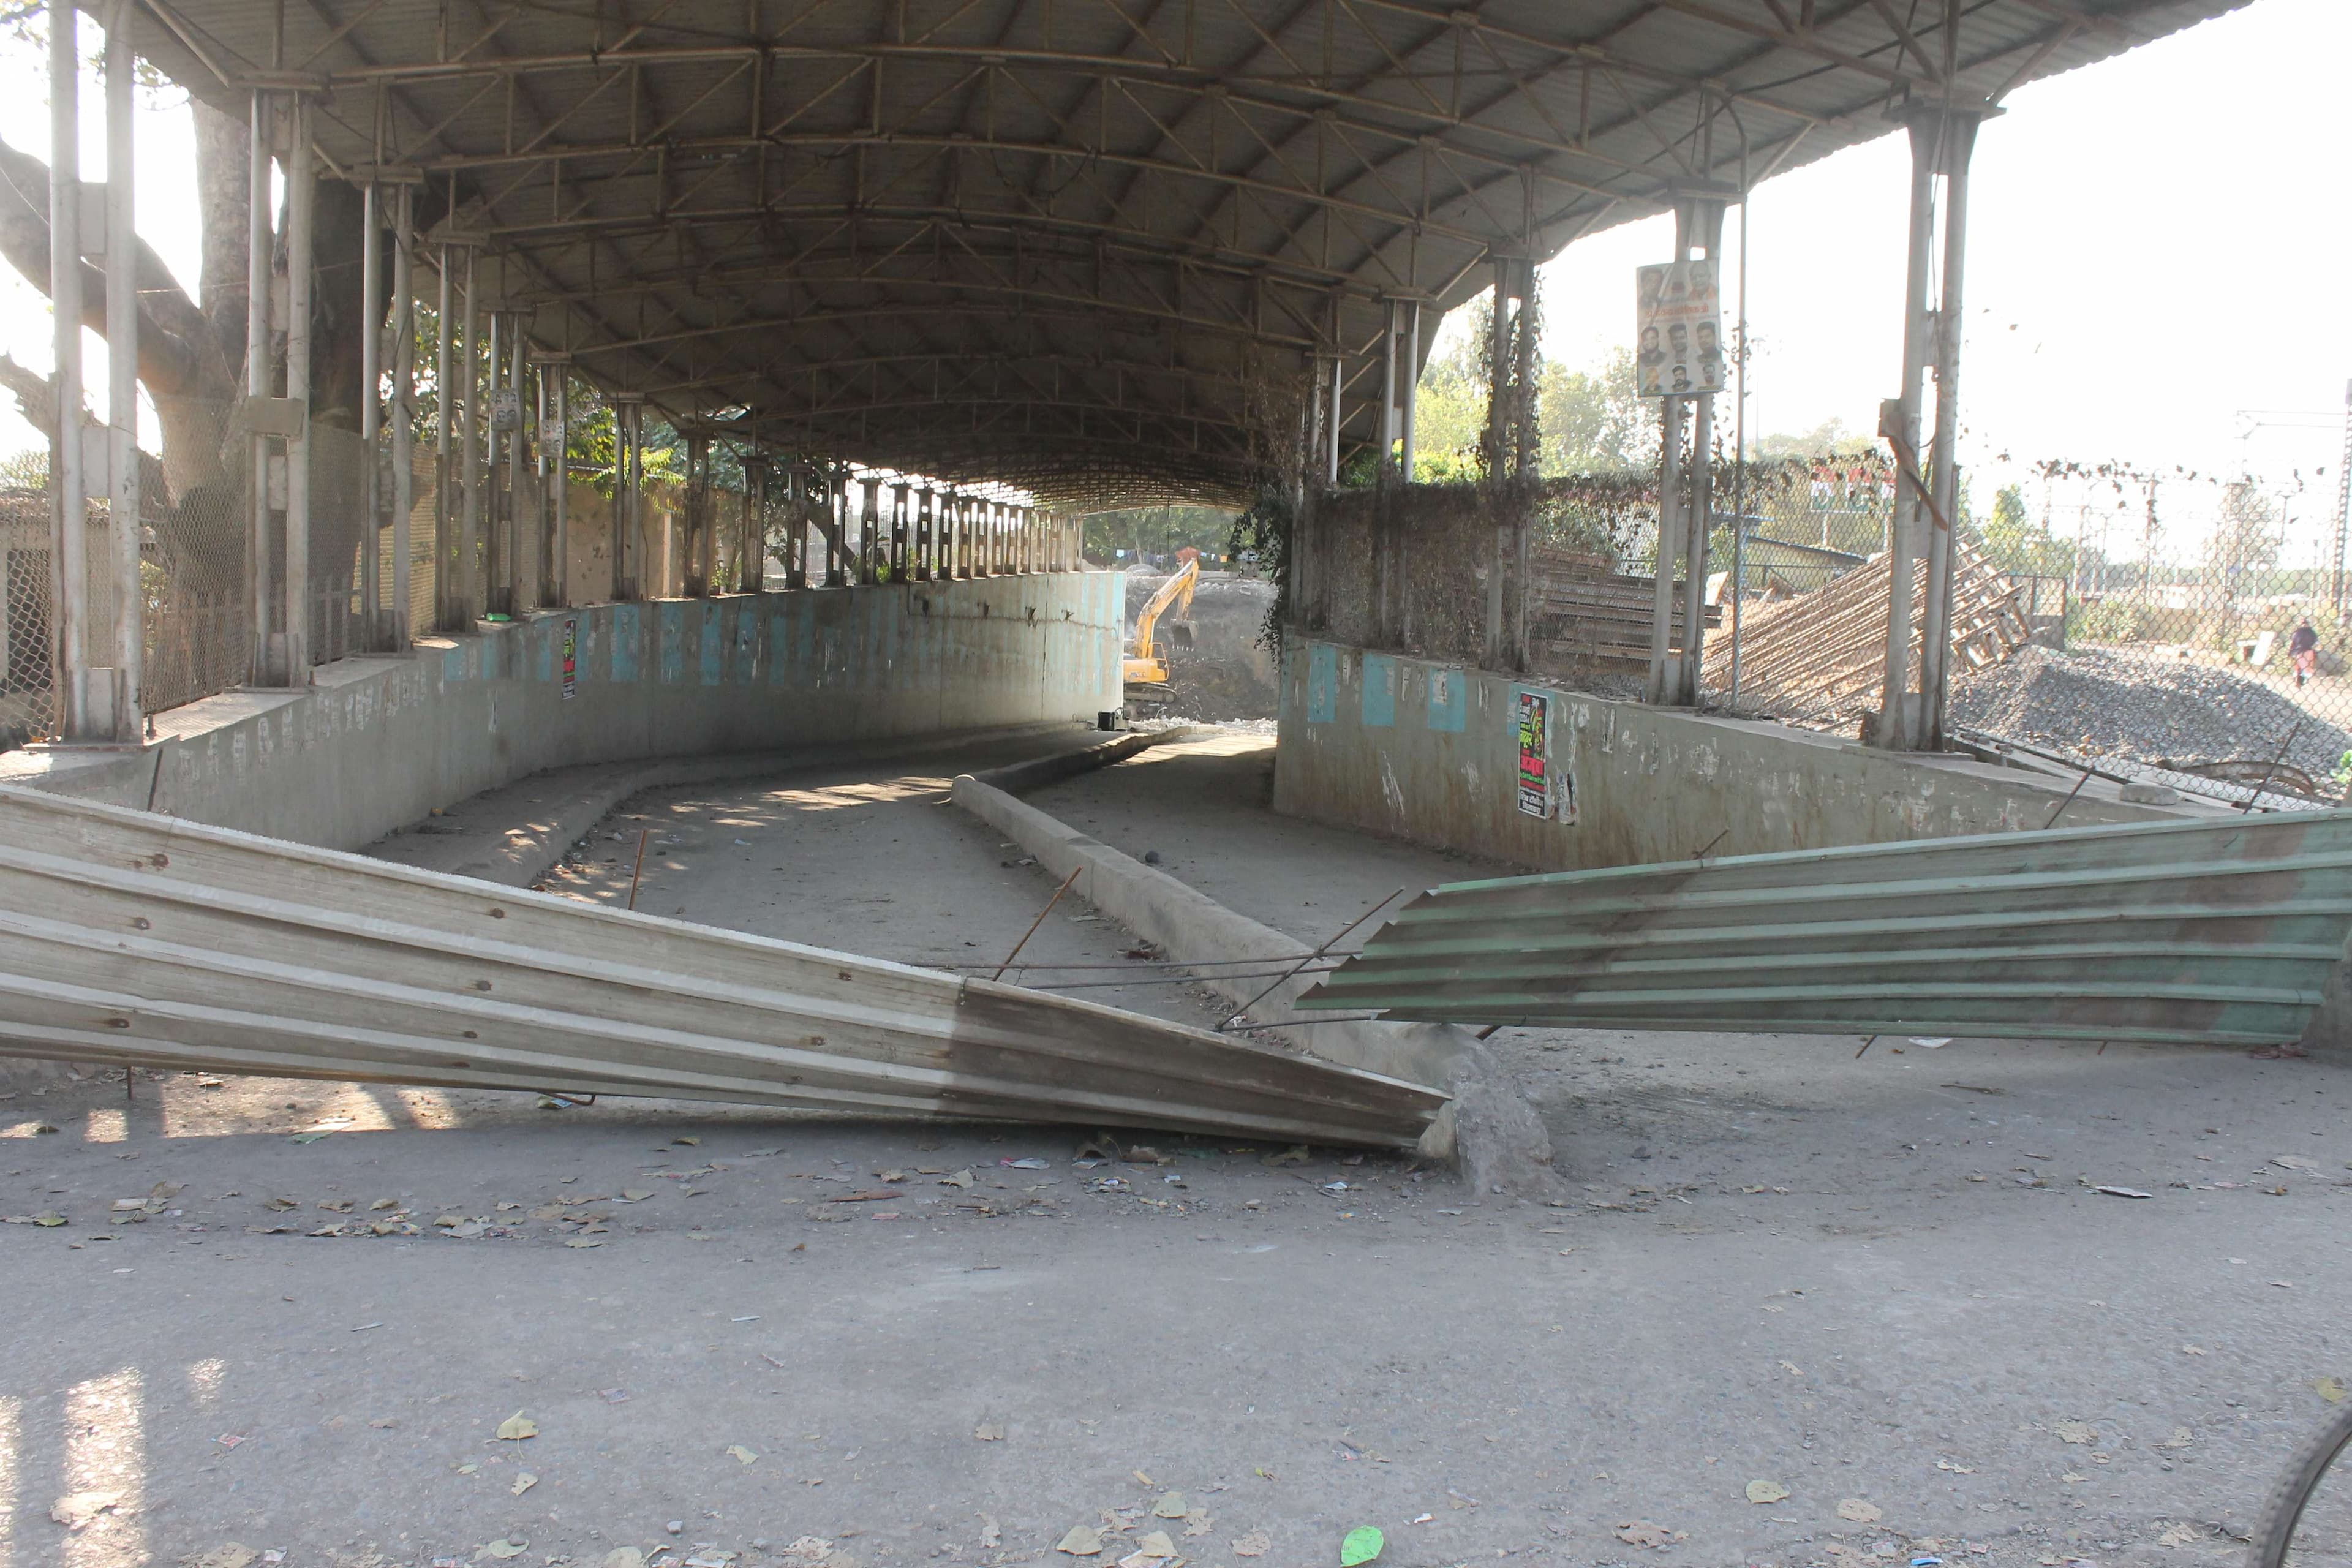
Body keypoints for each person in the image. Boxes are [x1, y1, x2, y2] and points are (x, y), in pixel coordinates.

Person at [2291, 617, 2320, 686]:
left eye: (2305, 623)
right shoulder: (2303, 632)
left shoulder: (2307, 632)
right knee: (2301, 666)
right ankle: (2299, 680)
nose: (2304, 625)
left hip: (2306, 650)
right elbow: (2294, 641)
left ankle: (2300, 680)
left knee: (2304, 666)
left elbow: (2316, 642)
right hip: (2302, 650)